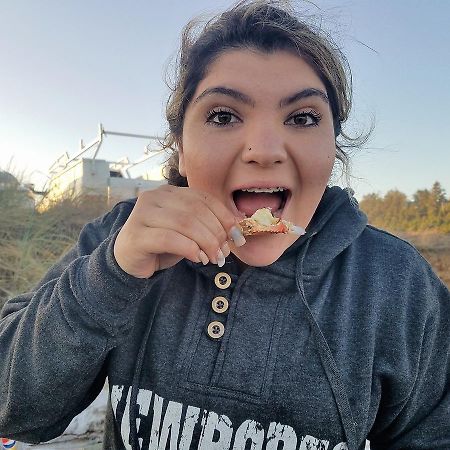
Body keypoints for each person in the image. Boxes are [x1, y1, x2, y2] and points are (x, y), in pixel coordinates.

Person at [0, 1, 449, 449]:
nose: (265, 149)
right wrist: (113, 275)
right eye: (223, 115)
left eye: (303, 117)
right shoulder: (120, 239)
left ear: (333, 145)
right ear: (179, 144)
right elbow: (13, 411)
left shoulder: (398, 284)